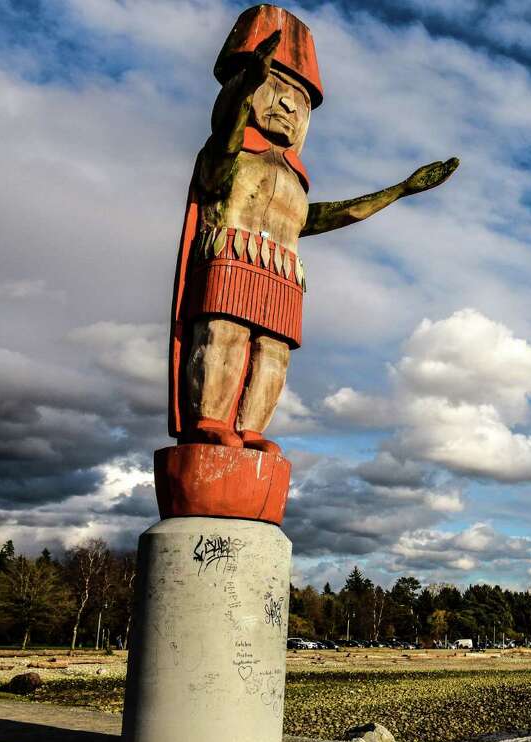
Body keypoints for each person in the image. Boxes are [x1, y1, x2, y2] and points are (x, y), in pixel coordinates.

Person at [169, 4, 458, 454]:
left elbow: (335, 214)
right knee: (225, 333)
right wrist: (247, 83)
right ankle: (210, 417)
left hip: (283, 269)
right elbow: (225, 131)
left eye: (300, 99)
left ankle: (250, 429)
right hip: (233, 253)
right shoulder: (228, 154)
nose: (287, 103)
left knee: (273, 352)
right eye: (275, 87)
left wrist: (401, 189)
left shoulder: (295, 180)